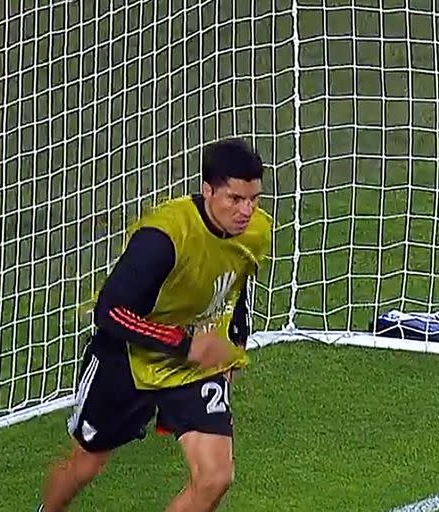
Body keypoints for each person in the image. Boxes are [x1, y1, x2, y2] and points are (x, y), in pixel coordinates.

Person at [38, 137, 272, 512]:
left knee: (215, 477)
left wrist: (234, 347)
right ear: (207, 190)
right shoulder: (163, 238)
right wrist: (183, 344)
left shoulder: (257, 229)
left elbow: (236, 284)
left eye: (254, 199)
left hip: (193, 362)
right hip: (127, 358)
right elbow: (110, 313)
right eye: (235, 199)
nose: (246, 211)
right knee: (86, 463)